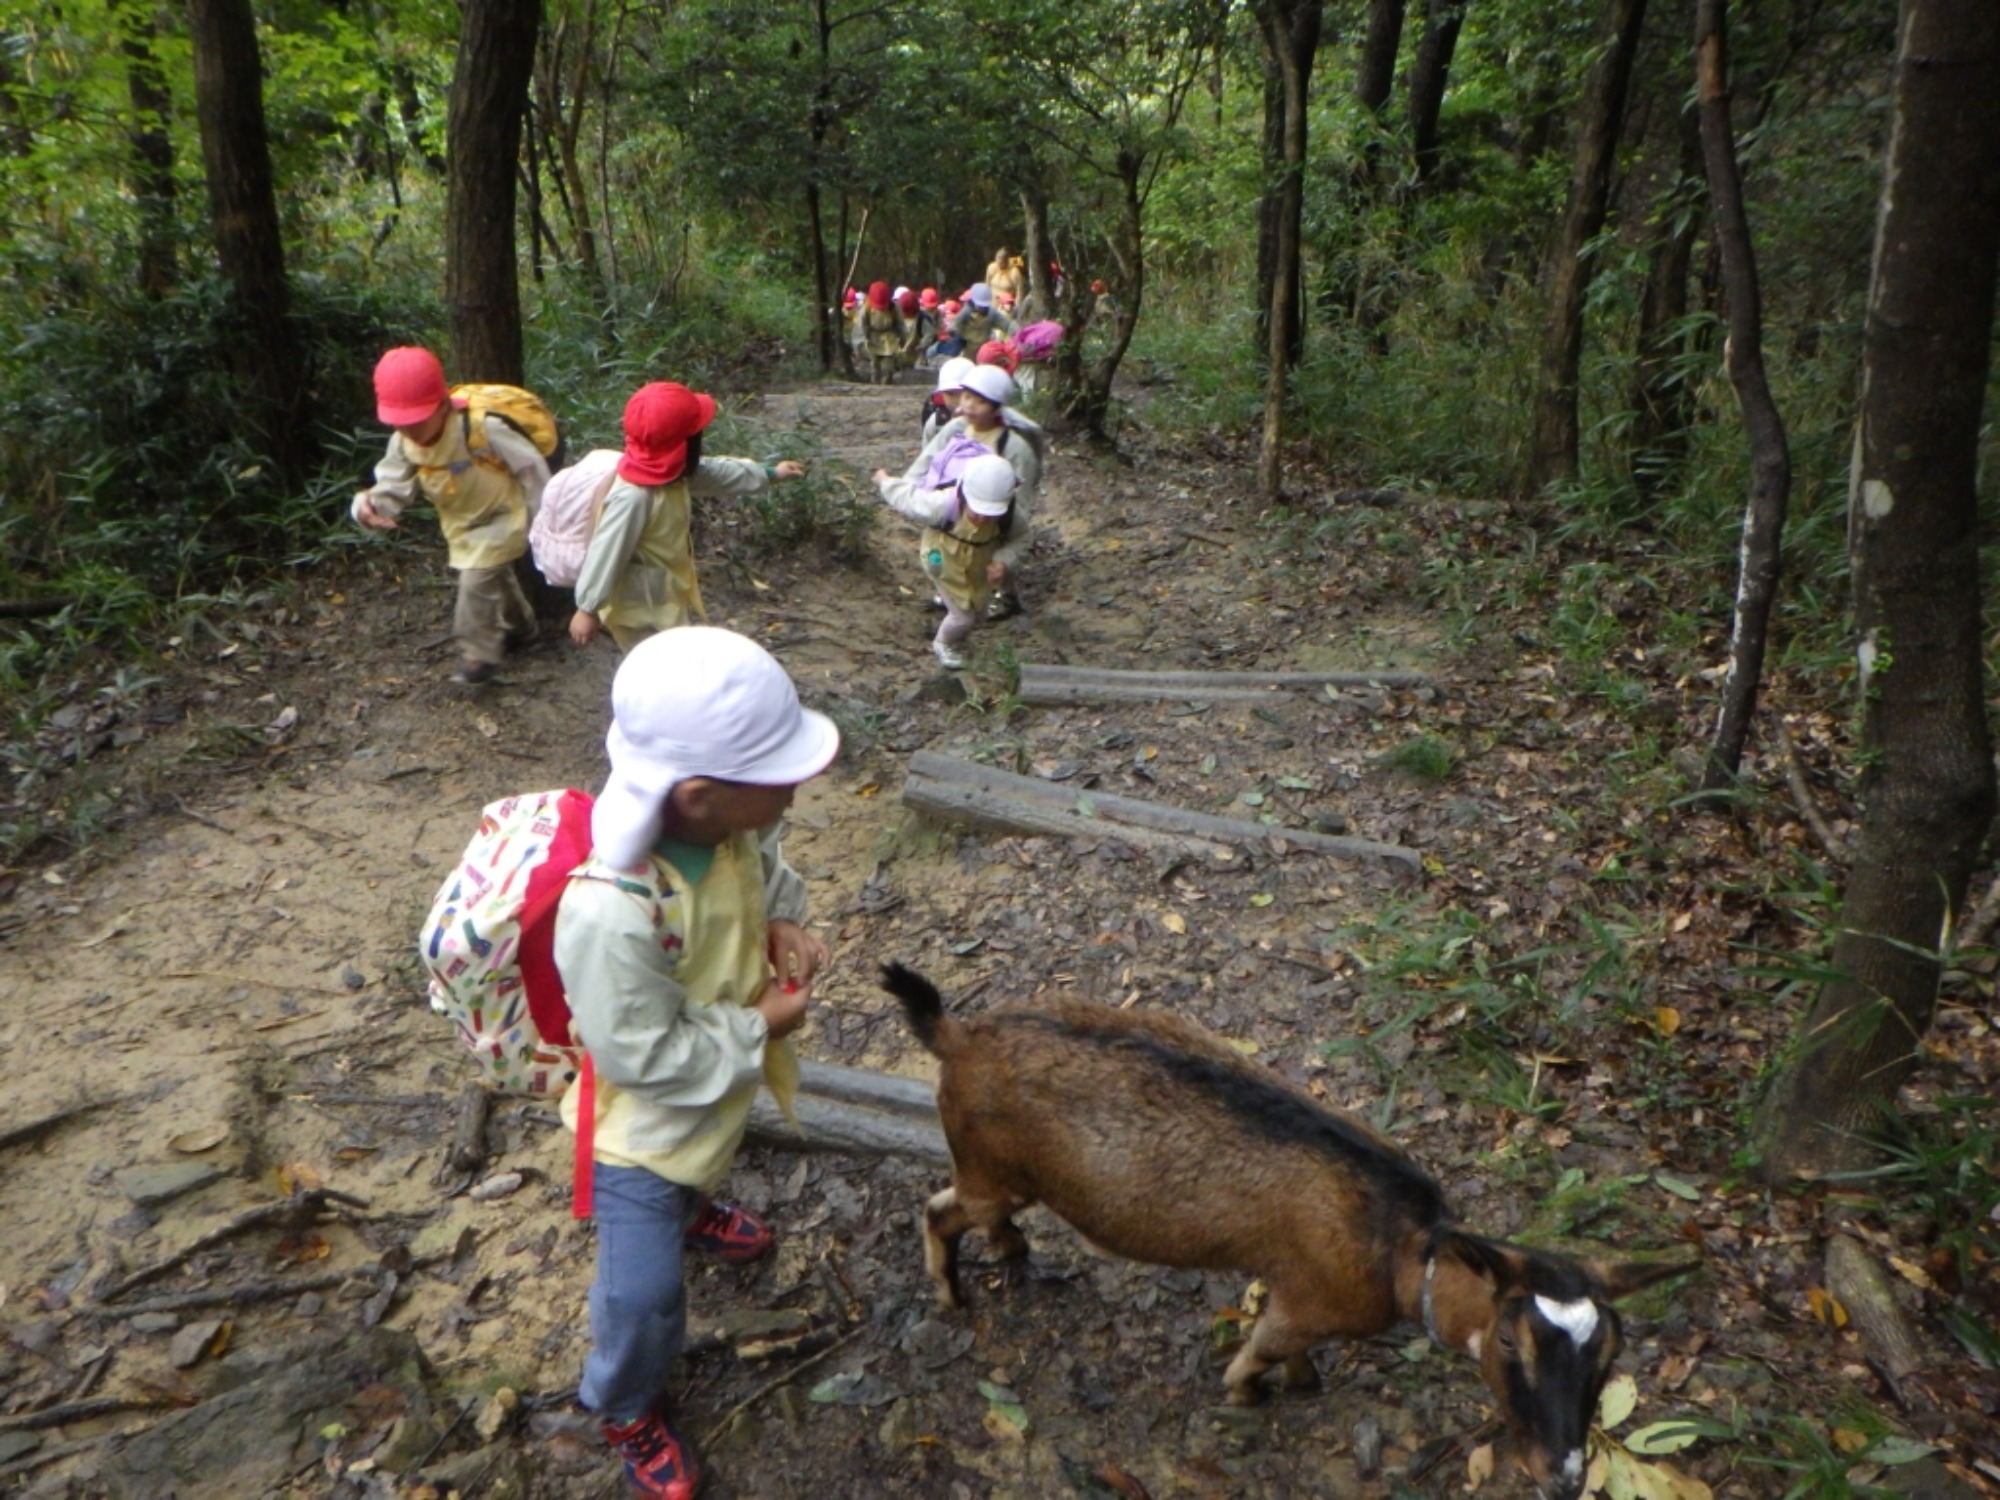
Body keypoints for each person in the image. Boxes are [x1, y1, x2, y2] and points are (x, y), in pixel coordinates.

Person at [558, 625, 839, 1500]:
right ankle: (625, 1403)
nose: (795, 787)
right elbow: (642, 1057)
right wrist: (758, 1029)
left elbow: (763, 862)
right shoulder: (613, 912)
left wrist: (782, 918)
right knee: (643, 1302)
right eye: (779, 778)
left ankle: (692, 1208)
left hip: (702, 1104)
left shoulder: (725, 832)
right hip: (635, 1134)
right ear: (699, 793)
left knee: (705, 1155)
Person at [351, 346, 550, 686]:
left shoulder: (482, 429)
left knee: (477, 576)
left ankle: (479, 653)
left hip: (505, 515)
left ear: (442, 404)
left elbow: (532, 469)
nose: (409, 430)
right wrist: (369, 507)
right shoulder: (403, 444)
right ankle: (524, 629)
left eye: (416, 420)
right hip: (461, 524)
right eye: (400, 423)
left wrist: (544, 519)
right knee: (493, 573)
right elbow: (392, 484)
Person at [571, 382, 806, 654]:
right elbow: (607, 550)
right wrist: (586, 608)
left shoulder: (671, 471)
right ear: (683, 443)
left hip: (665, 595)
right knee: (657, 668)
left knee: (671, 663)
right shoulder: (633, 497)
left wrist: (769, 473)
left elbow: (718, 472)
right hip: (640, 606)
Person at [906, 363, 1043, 620]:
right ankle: (954, 591)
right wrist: (911, 490)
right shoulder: (954, 429)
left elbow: (1022, 499)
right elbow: (928, 461)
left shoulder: (1014, 447)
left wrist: (1007, 533)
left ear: (995, 407)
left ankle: (1003, 594)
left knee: (990, 555)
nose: (969, 406)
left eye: (980, 402)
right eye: (966, 397)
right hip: (955, 504)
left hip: (994, 511)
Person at [868, 451, 1019, 669]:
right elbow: (909, 499)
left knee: (980, 610)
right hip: (942, 560)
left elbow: (1021, 538)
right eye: (977, 511)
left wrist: (1003, 560)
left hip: (977, 565)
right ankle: (942, 643)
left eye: (991, 514)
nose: (983, 519)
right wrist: (885, 481)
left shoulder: (1011, 514)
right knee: (963, 617)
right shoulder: (942, 505)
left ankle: (954, 618)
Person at [853, 280, 906, 384]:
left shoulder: (894, 308)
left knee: (888, 364)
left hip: (889, 338)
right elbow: (861, 324)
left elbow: (900, 324)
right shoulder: (867, 307)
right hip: (873, 337)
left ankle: (887, 381)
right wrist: (861, 340)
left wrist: (903, 339)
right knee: (874, 364)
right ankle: (875, 383)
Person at [920, 356, 976, 444]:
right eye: (950, 394)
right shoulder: (936, 422)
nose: (957, 400)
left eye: (964, 394)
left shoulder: (988, 421)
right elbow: (927, 454)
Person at [949, 283, 1013, 353]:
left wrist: (1019, 333)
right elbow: (955, 323)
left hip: (983, 347)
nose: (982, 309)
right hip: (966, 346)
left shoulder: (991, 313)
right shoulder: (966, 311)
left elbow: (1008, 325)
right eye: (980, 306)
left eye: (985, 307)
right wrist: (952, 330)